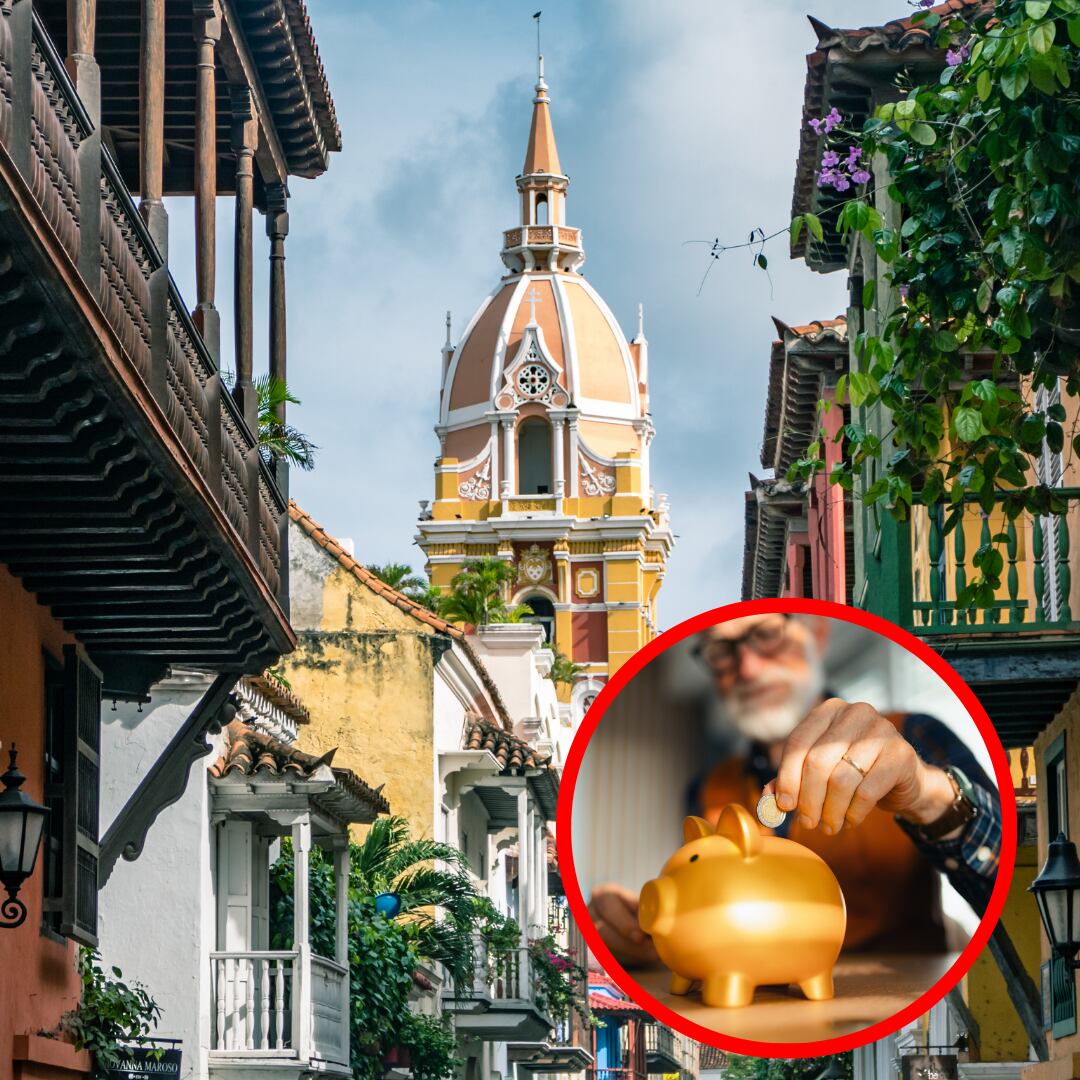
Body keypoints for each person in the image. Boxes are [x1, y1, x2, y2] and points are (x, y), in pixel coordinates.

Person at [588, 613, 1001, 968]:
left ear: (817, 636)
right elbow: (714, 922)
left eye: (767, 634)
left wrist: (929, 796)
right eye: (720, 650)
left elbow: (1013, 889)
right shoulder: (708, 789)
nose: (747, 668)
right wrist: (653, 937)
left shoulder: (913, 734)